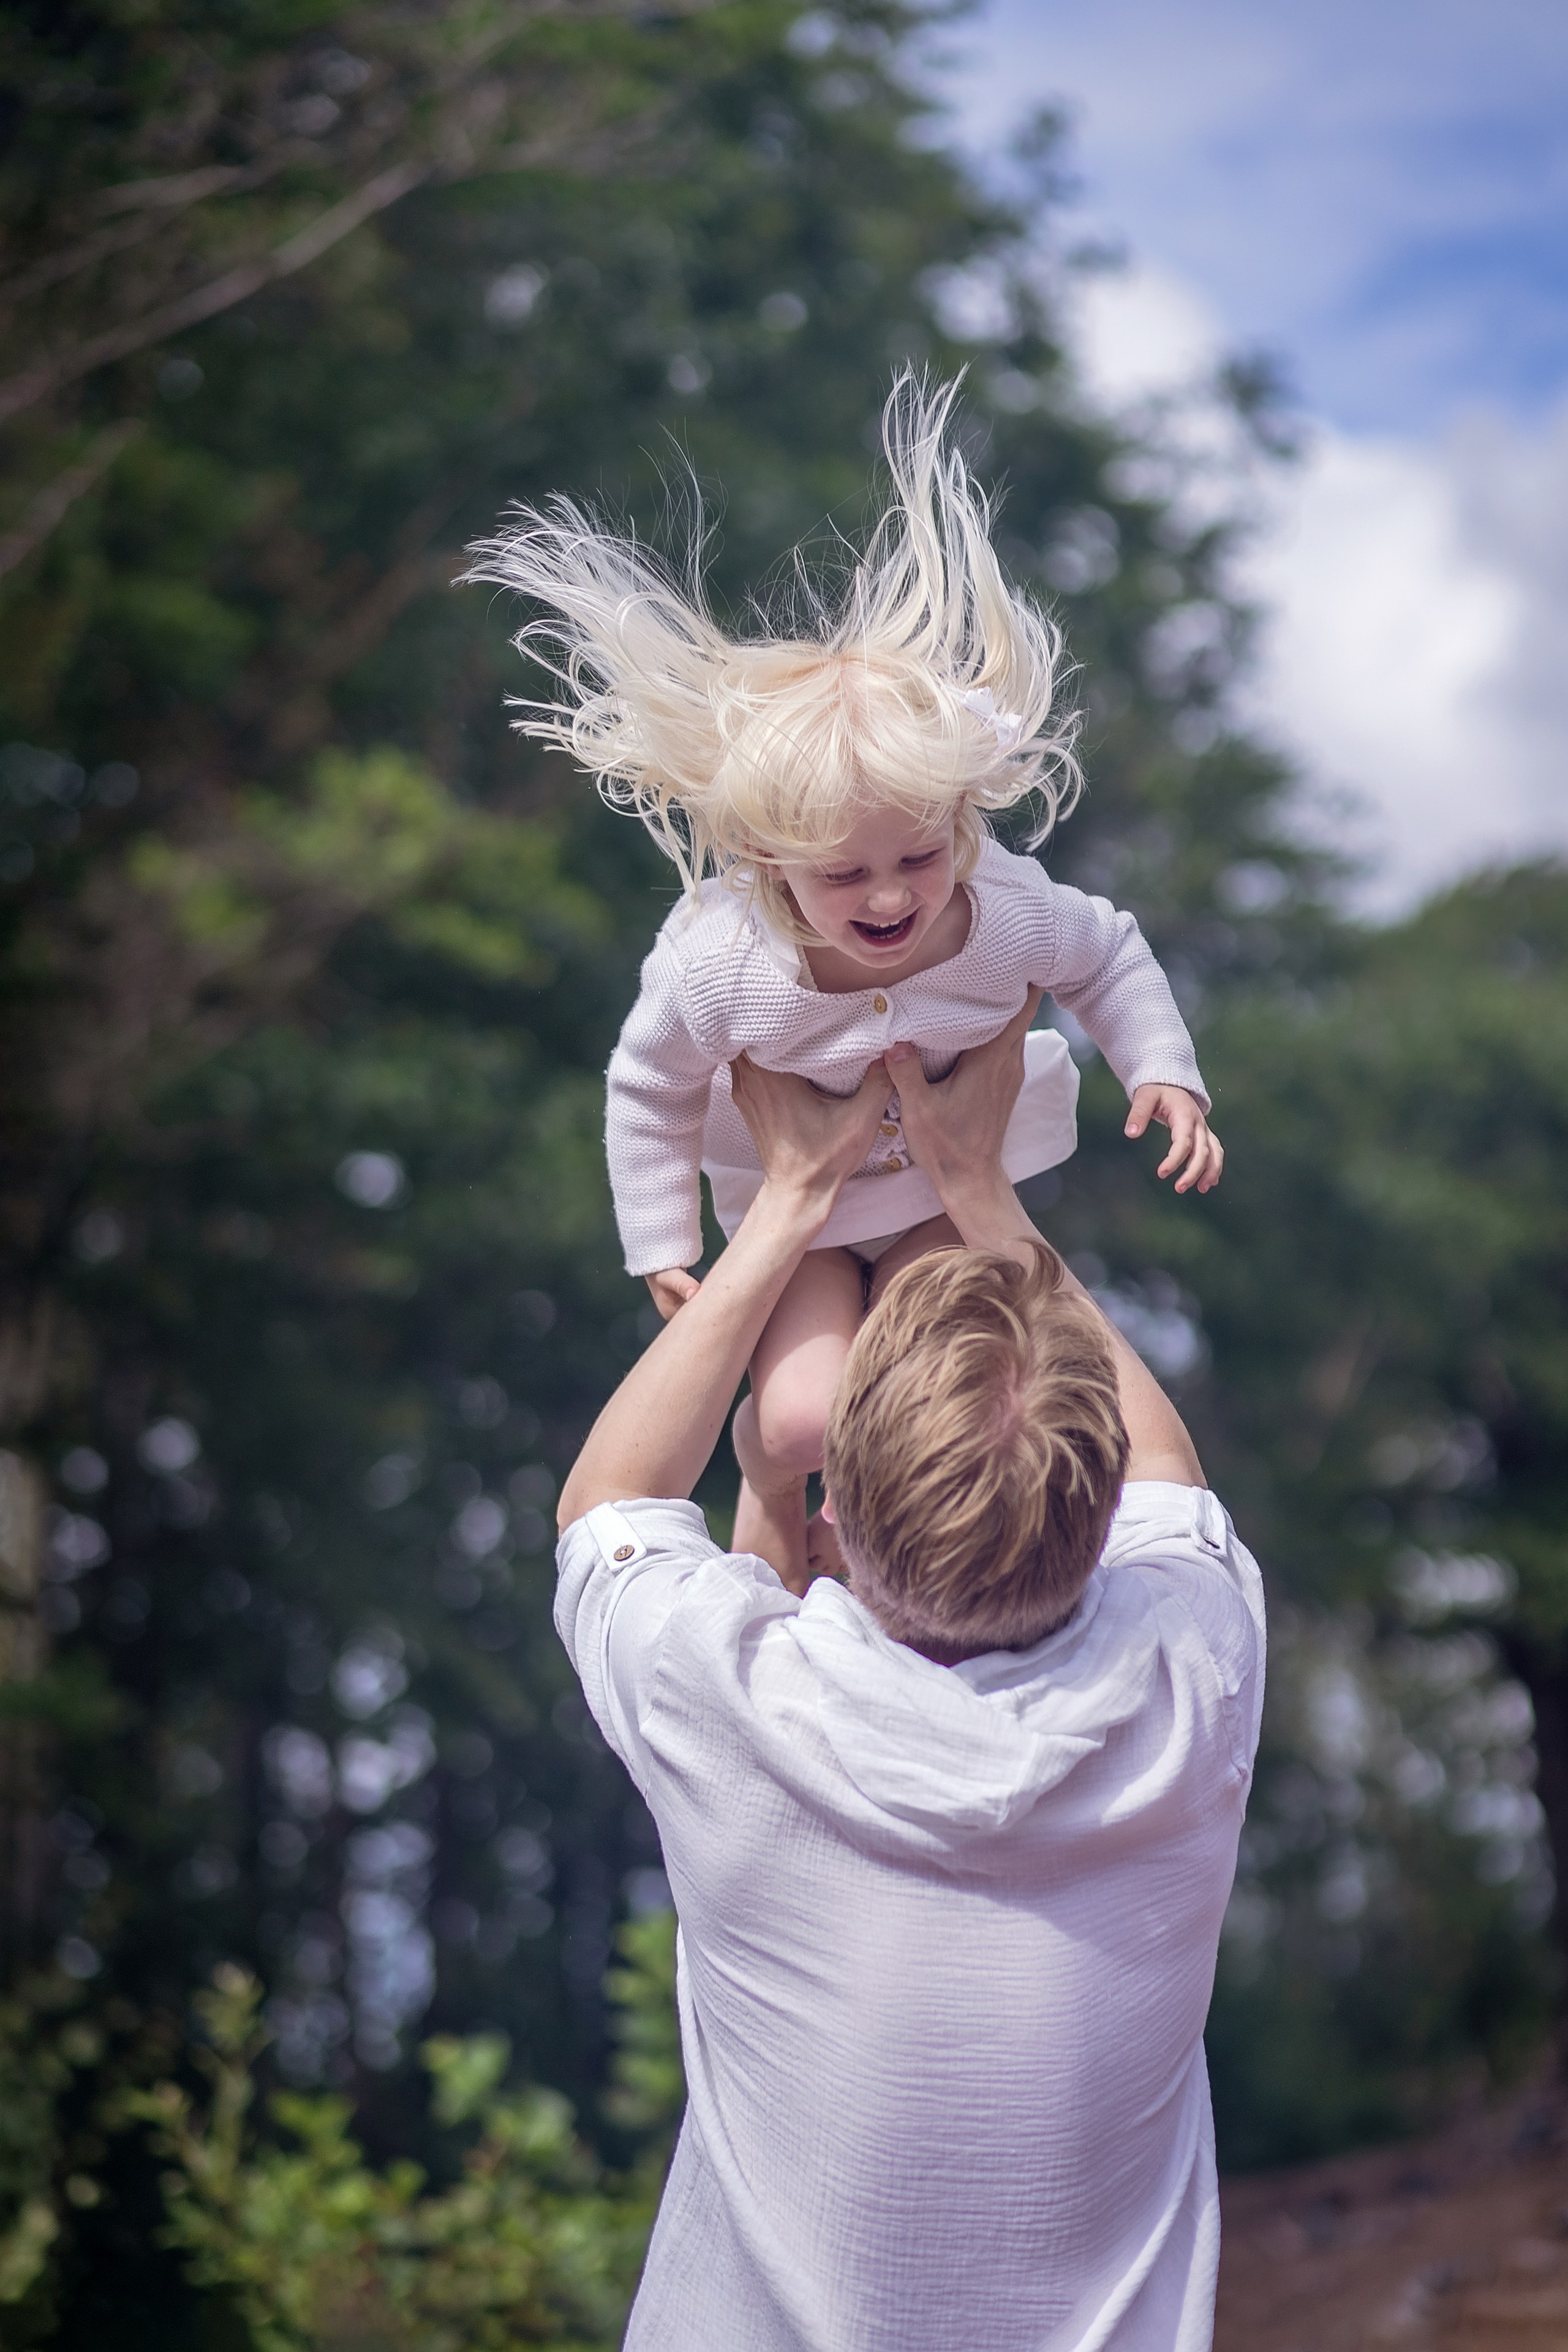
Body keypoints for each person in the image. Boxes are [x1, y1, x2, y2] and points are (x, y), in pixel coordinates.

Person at [554, 998, 1265, 2352]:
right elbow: (1168, 1472)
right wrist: (975, 1189)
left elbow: (606, 1503)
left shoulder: (743, 1701)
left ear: (839, 1526)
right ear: (1092, 1499)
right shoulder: (1189, 1681)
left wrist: (791, 1202)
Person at [468, 375, 1223, 1594]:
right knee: (798, 1422)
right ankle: (771, 1503)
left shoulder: (1008, 908)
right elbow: (648, 1085)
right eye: (844, 878)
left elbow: (1107, 958)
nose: (887, 899)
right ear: (769, 866)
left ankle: (924, 1576)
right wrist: (658, 1237)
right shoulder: (721, 960)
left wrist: (1163, 1075)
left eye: (918, 859)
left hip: (939, 1197)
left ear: (963, 823)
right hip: (798, 1218)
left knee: (965, 1413)